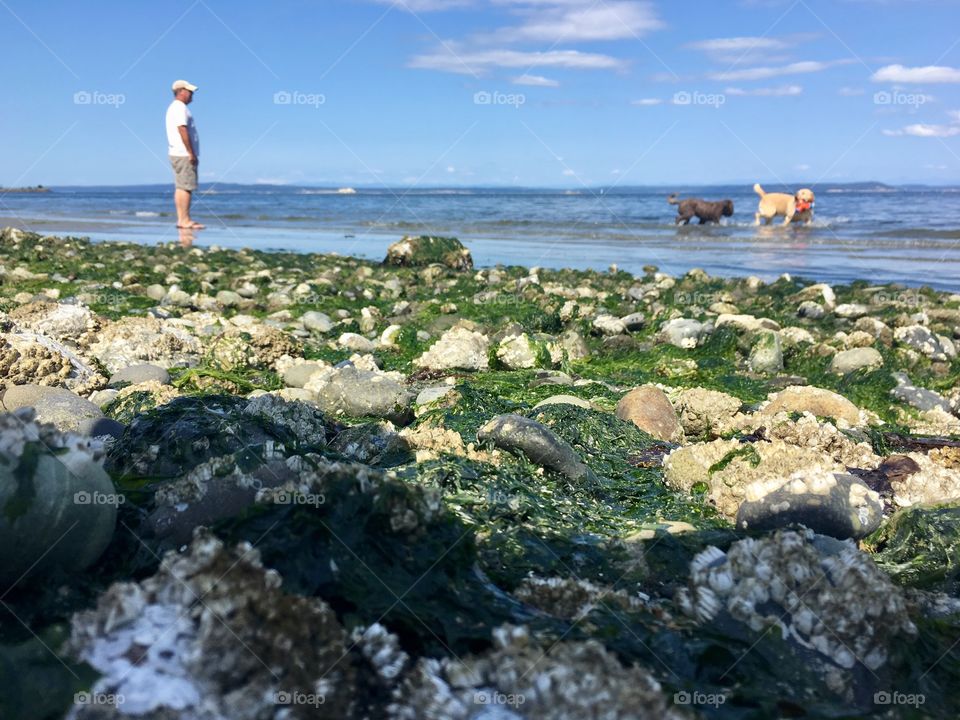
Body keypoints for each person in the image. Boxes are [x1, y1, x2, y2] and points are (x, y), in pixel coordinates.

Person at [166, 79, 204, 229]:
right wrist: (191, 152)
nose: (192, 94)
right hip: (182, 153)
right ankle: (184, 220)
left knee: (181, 186)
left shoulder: (176, 108)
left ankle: (182, 219)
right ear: (181, 91)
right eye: (189, 91)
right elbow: (182, 129)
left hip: (178, 152)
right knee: (186, 186)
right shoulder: (179, 108)